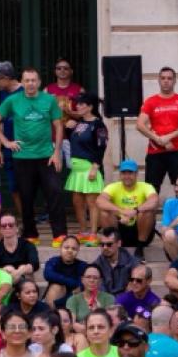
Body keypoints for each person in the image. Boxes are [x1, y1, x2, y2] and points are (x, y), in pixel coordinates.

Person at [0, 67, 66, 246]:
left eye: (33, 80)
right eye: (27, 80)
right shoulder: (13, 100)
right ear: (22, 83)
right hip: (22, 157)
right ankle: (31, 234)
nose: (30, 83)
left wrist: (57, 152)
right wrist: (6, 142)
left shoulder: (49, 100)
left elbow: (58, 126)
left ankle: (59, 234)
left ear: (39, 83)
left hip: (47, 156)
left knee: (54, 192)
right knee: (26, 196)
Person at [135, 66, 178, 191]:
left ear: (174, 81)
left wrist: (168, 137)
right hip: (155, 153)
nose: (166, 81)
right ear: (158, 80)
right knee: (151, 190)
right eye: (163, 78)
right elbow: (140, 124)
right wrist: (158, 139)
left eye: (169, 78)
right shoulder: (151, 101)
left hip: (177, 151)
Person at [64, 92, 108, 245]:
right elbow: (74, 142)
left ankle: (94, 233)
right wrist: (68, 128)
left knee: (92, 203)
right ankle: (83, 231)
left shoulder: (98, 124)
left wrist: (95, 167)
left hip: (89, 167)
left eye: (82, 104)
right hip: (76, 169)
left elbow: (102, 147)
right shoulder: (77, 123)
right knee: (77, 202)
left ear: (90, 107)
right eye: (78, 104)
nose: (79, 106)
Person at [96, 160, 159, 257]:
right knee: (104, 213)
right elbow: (99, 201)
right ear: (120, 175)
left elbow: (155, 201)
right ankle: (115, 245)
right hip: (120, 229)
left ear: (136, 174)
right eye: (124, 173)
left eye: (130, 173)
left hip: (141, 232)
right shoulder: (113, 187)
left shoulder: (146, 186)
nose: (127, 176)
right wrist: (121, 212)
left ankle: (140, 248)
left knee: (148, 212)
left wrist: (135, 211)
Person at [0, 214, 39, 288]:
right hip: (4, 283)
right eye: (4, 226)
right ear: (0, 230)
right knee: (6, 270)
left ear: (17, 228)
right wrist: (5, 270)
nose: (7, 227)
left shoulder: (27, 245)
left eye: (10, 225)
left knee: (25, 269)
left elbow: (35, 264)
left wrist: (19, 271)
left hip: (24, 282)